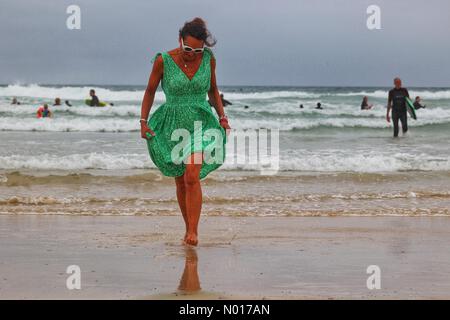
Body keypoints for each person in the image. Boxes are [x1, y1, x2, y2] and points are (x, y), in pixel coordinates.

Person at [140, 17, 230, 246]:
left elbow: (213, 90)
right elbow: (150, 91)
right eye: (187, 48)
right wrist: (143, 120)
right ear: (180, 40)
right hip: (172, 123)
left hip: (201, 121)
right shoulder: (163, 60)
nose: (192, 53)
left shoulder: (208, 59)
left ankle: (194, 232)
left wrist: (222, 117)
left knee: (191, 173)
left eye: (197, 50)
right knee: (181, 181)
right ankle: (187, 229)